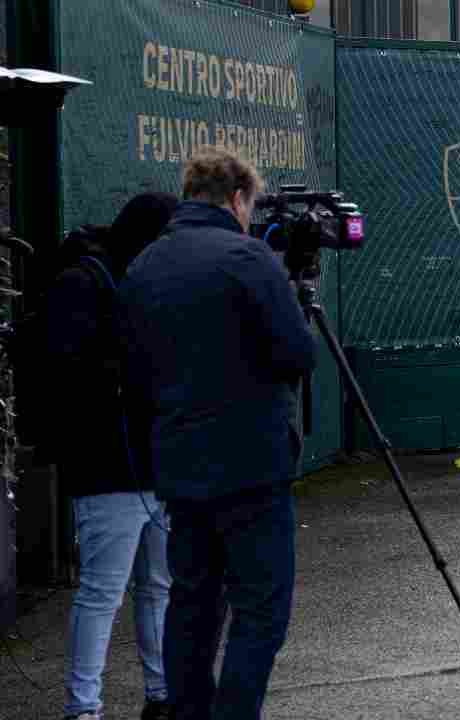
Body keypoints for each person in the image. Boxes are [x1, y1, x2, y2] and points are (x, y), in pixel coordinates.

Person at [118, 148, 316, 720]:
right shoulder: (248, 258)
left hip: (180, 466)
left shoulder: (145, 265)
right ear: (237, 198)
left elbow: (134, 369)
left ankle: (187, 712)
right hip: (252, 465)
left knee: (192, 601)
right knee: (260, 609)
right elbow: (298, 354)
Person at [55, 192, 179, 720]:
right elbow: (71, 374)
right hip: (107, 465)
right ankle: (83, 709)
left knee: (157, 586)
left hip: (156, 462)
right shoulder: (83, 284)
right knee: (103, 592)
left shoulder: (143, 283)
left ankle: (162, 696)